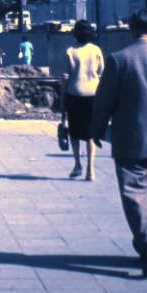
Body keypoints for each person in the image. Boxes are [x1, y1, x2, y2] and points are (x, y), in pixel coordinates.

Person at [91, 10, 147, 278]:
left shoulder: (120, 60)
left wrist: (97, 129)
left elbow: (104, 100)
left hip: (132, 138)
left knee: (135, 194)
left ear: (130, 29)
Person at [61, 20, 104, 180]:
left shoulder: (70, 51)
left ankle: (77, 164)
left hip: (74, 94)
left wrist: (62, 99)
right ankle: (90, 170)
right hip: (93, 95)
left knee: (74, 132)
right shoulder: (96, 50)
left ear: (75, 33)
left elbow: (65, 77)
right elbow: (101, 72)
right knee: (91, 133)